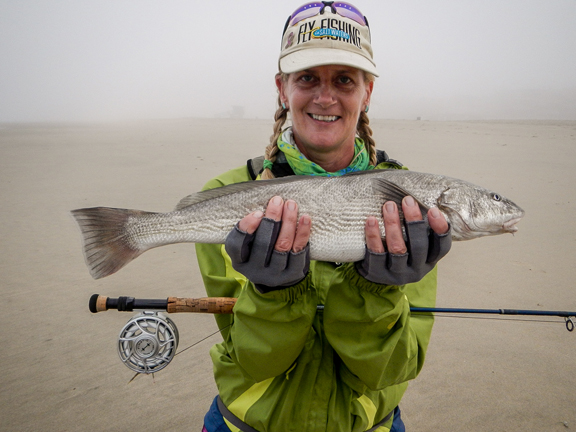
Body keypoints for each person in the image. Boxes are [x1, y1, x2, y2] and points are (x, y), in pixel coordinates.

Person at [196, 2, 451, 431]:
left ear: (367, 92)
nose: (325, 97)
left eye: (345, 80)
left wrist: (377, 292)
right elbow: (253, 362)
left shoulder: (409, 204)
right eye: (307, 78)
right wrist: (271, 294)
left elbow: (393, 370)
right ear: (282, 88)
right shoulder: (225, 193)